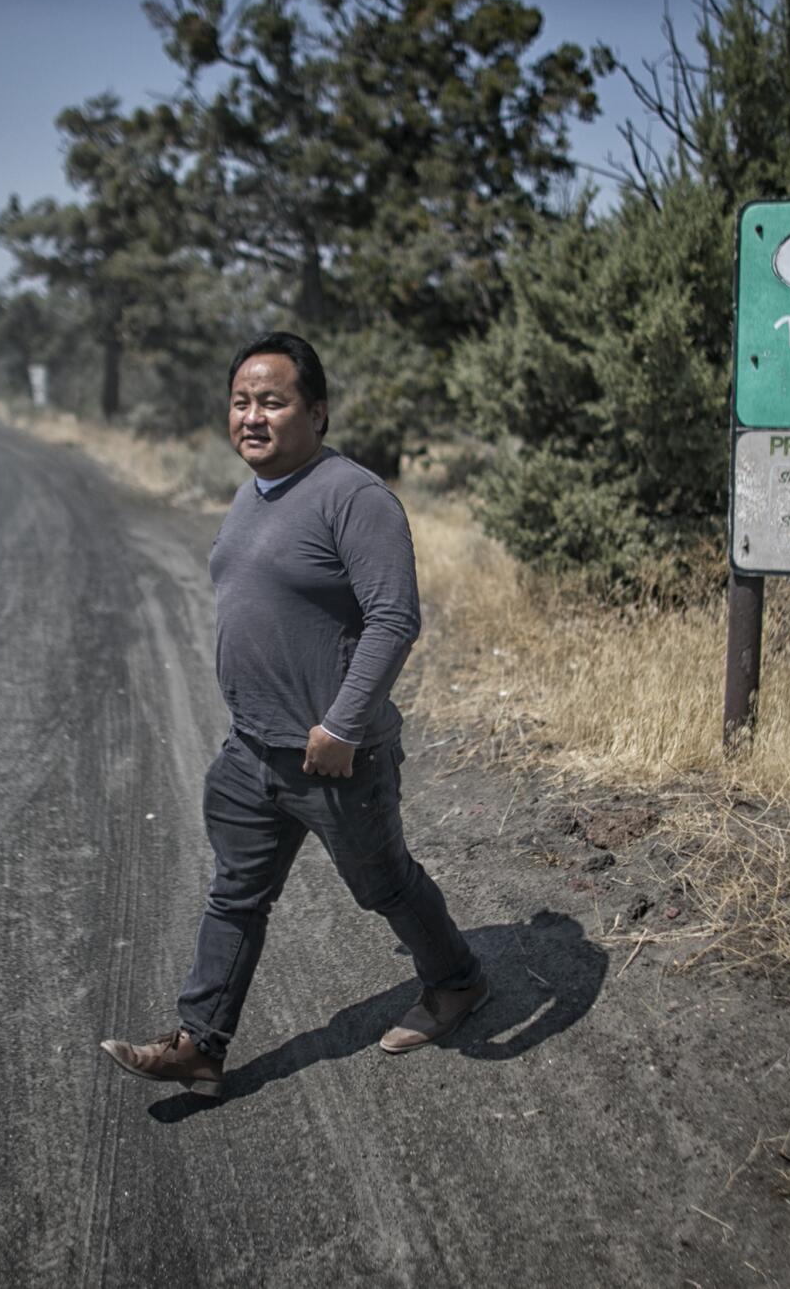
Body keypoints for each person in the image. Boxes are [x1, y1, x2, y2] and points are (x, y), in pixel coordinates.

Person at [100, 331, 488, 1098]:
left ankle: (458, 980)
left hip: (334, 757)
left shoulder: (354, 497)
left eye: (271, 402)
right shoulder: (252, 493)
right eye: (241, 402)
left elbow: (393, 618)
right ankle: (199, 1043)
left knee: (384, 884)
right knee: (236, 891)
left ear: (316, 412)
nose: (252, 416)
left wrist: (343, 726)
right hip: (253, 750)